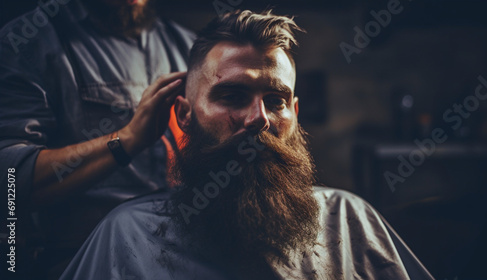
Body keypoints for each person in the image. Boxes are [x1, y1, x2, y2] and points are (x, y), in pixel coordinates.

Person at [60, 9, 435, 280]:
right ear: (185, 115)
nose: (259, 119)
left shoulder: (349, 220)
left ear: (295, 112)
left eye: (276, 101)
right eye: (232, 95)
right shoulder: (128, 236)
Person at [0, 0, 193, 278]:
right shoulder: (27, 42)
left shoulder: (184, 44)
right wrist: (126, 140)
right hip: (81, 258)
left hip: (178, 253)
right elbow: (9, 180)